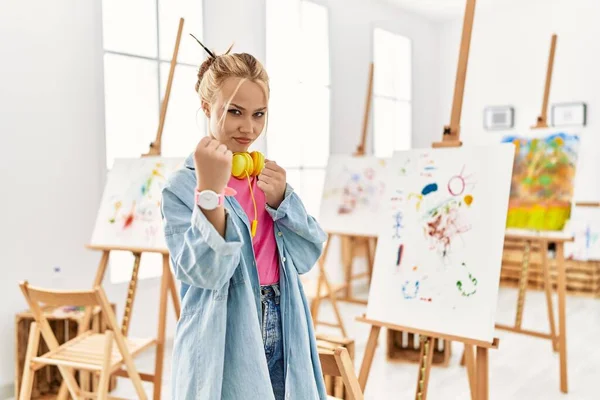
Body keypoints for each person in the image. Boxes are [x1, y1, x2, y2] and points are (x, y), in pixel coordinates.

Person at [161, 38, 328, 400]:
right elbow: (204, 274)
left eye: (259, 114)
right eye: (234, 111)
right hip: (225, 328)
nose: (248, 128)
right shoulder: (183, 186)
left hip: (284, 316)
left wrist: (284, 200)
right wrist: (210, 193)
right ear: (207, 106)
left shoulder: (265, 177)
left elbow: (308, 253)